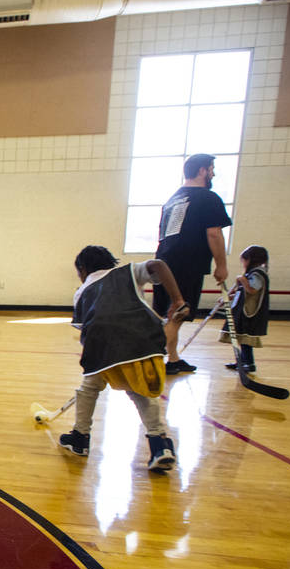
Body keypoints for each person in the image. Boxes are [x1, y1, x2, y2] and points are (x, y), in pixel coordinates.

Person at [60, 245, 188, 471]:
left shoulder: (81, 291)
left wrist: (96, 360)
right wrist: (177, 300)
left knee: (89, 388)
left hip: (101, 344)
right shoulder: (129, 271)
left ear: (82, 269)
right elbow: (158, 265)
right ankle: (160, 445)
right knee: (140, 391)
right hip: (141, 337)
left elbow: (86, 329)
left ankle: (80, 438)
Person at [152, 153, 231, 375]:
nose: (213, 173)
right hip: (187, 263)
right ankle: (151, 360)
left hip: (163, 262)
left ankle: (173, 359)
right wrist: (221, 266)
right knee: (179, 314)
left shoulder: (172, 199)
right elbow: (214, 234)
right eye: (211, 169)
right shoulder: (208, 198)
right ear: (202, 171)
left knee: (170, 315)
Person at [220, 245, 270, 373]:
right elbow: (242, 293)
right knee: (239, 338)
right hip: (240, 311)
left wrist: (242, 280)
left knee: (245, 339)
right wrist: (228, 297)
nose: (243, 264)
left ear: (251, 260)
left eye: (244, 260)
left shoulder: (257, 274)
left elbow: (252, 290)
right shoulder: (249, 274)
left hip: (249, 313)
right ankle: (240, 361)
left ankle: (249, 363)